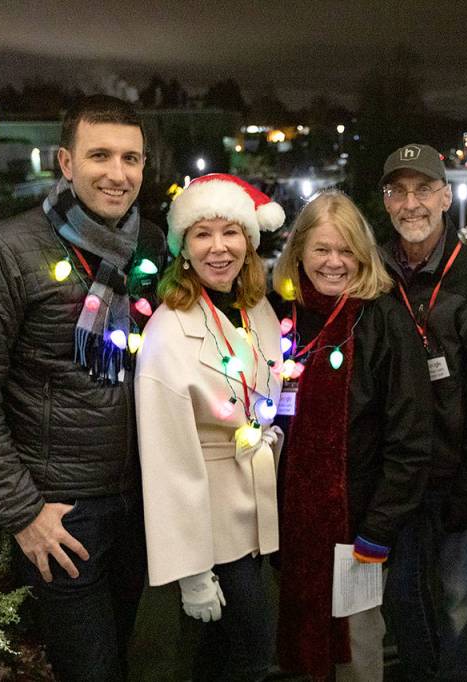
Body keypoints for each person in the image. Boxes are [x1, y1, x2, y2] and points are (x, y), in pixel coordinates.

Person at [0, 95, 165, 681]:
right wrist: (24, 513)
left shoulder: (150, 244)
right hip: (63, 513)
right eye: (100, 155)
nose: (118, 173)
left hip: (139, 503)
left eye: (131, 158)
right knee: (89, 670)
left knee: (128, 654)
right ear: (66, 162)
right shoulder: (4, 251)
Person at [270, 190, 432, 680]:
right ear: (299, 251)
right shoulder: (277, 314)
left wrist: (378, 530)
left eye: (346, 250)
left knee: (357, 653)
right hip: (288, 529)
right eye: (321, 249)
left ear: (363, 255)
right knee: (302, 648)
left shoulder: (383, 319)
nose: (334, 262)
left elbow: (410, 436)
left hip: (359, 529)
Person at [135, 173, 286, 681]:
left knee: (224, 656)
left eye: (231, 232)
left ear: (249, 241)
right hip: (209, 526)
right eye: (203, 234)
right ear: (183, 248)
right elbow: (167, 461)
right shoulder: (166, 331)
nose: (218, 248)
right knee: (251, 649)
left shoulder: (256, 309)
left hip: (255, 511)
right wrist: (193, 572)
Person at [376, 143, 467, 680]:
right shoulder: (374, 274)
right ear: (386, 201)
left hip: (457, 475)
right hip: (397, 478)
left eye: (423, 190)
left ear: (445, 197)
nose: (411, 203)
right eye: (398, 191)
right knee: (401, 597)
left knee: (459, 605)